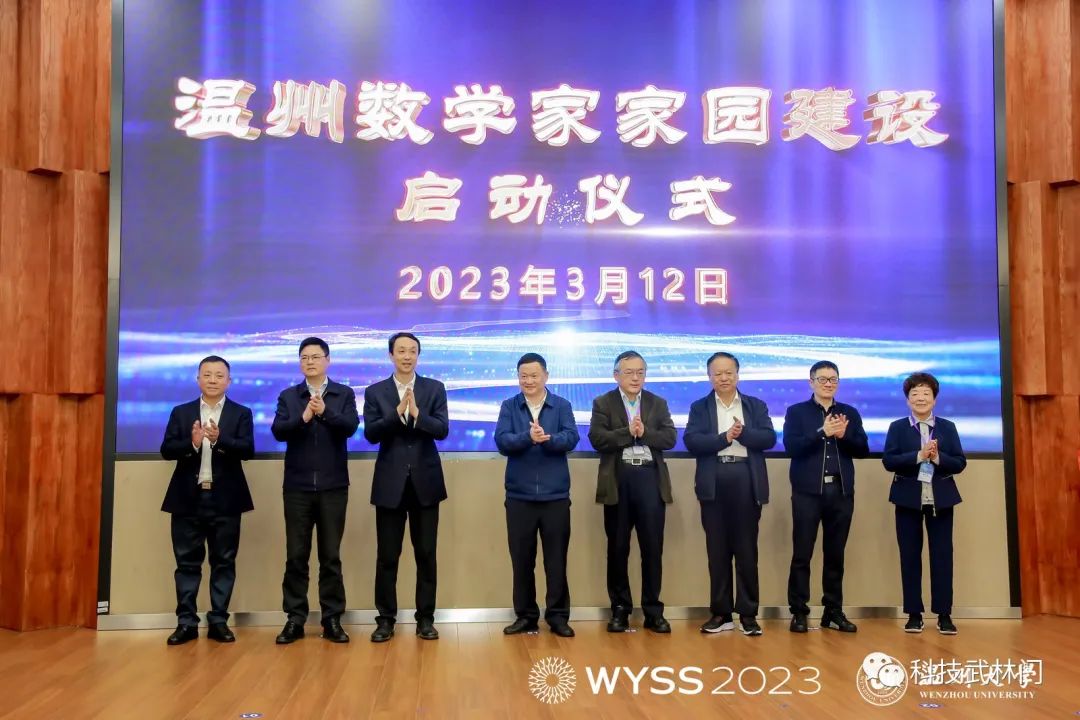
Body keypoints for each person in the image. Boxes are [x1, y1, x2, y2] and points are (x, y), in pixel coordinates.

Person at [160, 355, 254, 645]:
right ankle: (186, 623)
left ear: (229, 380)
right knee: (186, 563)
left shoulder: (241, 413)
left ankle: (218, 621)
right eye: (207, 374)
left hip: (226, 499)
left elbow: (247, 450)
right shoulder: (181, 412)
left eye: (219, 375)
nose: (213, 380)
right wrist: (193, 444)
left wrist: (219, 440)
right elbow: (167, 450)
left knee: (223, 562)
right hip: (187, 499)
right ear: (198, 378)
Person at [271, 337, 359, 644]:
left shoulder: (343, 394)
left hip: (334, 486)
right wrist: (304, 417)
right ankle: (295, 619)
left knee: (330, 556)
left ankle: (331, 619)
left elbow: (350, 427)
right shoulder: (289, 396)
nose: (310, 362)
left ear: (327, 360)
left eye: (315, 357)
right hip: (297, 488)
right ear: (300, 363)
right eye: (304, 357)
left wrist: (325, 412)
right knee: (296, 556)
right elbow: (278, 431)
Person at [363, 332, 449, 642]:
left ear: (418, 355)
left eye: (412, 351)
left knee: (426, 555)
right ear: (391, 355)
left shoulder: (434, 388)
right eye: (401, 351)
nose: (407, 356)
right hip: (390, 485)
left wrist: (417, 415)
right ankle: (385, 620)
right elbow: (371, 434)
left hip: (426, 483)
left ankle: (425, 619)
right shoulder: (375, 392)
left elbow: (442, 430)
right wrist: (397, 413)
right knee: (387, 556)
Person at [684, 352, 775, 637]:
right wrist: (725, 438)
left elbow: (769, 438)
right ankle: (721, 613)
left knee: (747, 551)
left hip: (746, 479)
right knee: (717, 551)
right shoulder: (700, 407)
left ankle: (748, 614)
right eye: (717, 373)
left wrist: (741, 433)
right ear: (709, 376)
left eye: (728, 372)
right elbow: (692, 441)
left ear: (737, 374)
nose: (723, 378)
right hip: (713, 482)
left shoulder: (755, 405)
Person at [588, 350, 676, 634]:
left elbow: (670, 438)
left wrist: (644, 432)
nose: (635, 377)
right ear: (616, 375)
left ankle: (653, 611)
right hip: (619, 480)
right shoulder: (603, 403)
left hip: (650, 479)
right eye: (629, 372)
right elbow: (597, 439)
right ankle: (620, 609)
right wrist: (629, 433)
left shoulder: (657, 403)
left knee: (652, 549)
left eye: (640, 372)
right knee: (617, 549)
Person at [494, 353, 579, 637]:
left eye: (534, 375)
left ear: (546, 376)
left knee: (556, 561)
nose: (528, 381)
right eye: (523, 376)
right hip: (519, 497)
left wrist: (548, 439)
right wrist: (527, 438)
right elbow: (502, 441)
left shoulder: (562, 405)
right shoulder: (509, 406)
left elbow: (572, 438)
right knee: (522, 561)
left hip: (555, 497)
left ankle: (558, 616)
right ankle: (526, 616)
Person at [783, 361, 869, 634]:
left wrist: (844, 435)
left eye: (833, 379)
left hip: (841, 493)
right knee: (802, 554)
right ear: (811, 382)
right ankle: (799, 612)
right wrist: (822, 432)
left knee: (835, 555)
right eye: (822, 379)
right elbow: (791, 447)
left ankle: (833, 611)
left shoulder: (849, 412)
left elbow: (863, 449)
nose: (828, 384)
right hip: (807, 493)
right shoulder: (796, 412)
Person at [882, 372, 967, 635]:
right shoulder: (897, 427)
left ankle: (944, 614)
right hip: (907, 499)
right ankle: (914, 614)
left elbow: (960, 463)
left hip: (941, 499)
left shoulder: (947, 427)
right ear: (907, 400)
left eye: (926, 393)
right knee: (909, 556)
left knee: (942, 556)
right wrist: (918, 455)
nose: (920, 398)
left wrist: (938, 458)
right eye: (915, 394)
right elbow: (889, 461)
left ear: (935, 399)